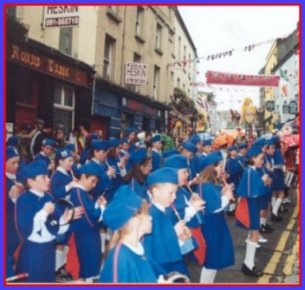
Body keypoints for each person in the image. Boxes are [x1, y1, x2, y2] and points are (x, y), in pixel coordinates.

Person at [15, 161, 81, 282]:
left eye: (48, 176)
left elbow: (54, 227)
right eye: (43, 177)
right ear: (30, 181)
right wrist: (44, 213)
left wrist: (65, 219)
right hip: (33, 252)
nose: (48, 179)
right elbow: (25, 230)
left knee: (47, 280)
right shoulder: (24, 199)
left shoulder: (49, 197)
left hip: (49, 250)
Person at [99, 185, 157, 283]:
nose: (151, 218)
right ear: (133, 220)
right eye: (146, 213)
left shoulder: (139, 246)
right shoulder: (121, 258)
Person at [196, 151, 235, 283]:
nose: (222, 169)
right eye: (219, 166)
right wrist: (226, 197)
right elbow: (215, 207)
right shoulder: (207, 185)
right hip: (211, 225)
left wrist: (223, 192)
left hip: (214, 224)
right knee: (211, 260)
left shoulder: (210, 184)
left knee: (214, 260)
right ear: (212, 168)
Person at [143, 167, 189, 277]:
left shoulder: (165, 210)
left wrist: (180, 238)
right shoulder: (149, 216)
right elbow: (152, 252)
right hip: (161, 272)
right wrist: (173, 234)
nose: (174, 197)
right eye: (171, 193)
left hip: (171, 267)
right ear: (155, 191)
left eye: (175, 192)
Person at [69, 162, 107, 282]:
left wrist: (97, 204)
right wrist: (101, 207)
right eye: (92, 181)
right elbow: (91, 217)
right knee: (89, 266)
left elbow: (89, 211)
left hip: (89, 234)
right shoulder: (78, 193)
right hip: (86, 235)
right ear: (83, 176)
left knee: (93, 264)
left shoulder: (83, 193)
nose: (94, 185)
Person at [237, 146, 269, 277]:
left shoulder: (253, 171)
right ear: (253, 159)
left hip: (253, 205)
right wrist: (263, 181)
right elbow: (252, 193)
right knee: (254, 234)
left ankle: (248, 264)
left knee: (254, 234)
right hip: (251, 205)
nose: (262, 160)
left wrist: (263, 182)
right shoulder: (250, 172)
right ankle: (248, 265)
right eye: (261, 158)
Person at [50, 148, 78, 281]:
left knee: (66, 240)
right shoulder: (57, 175)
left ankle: (61, 266)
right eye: (68, 160)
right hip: (60, 210)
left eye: (72, 160)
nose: (71, 163)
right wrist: (69, 187)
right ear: (60, 161)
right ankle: (55, 268)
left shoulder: (67, 173)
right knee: (60, 240)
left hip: (67, 209)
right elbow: (56, 192)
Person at [6, 146, 24, 279]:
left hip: (15, 224)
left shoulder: (17, 177)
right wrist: (6, 195)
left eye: (18, 162)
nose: (17, 166)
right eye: (13, 163)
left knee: (11, 253)